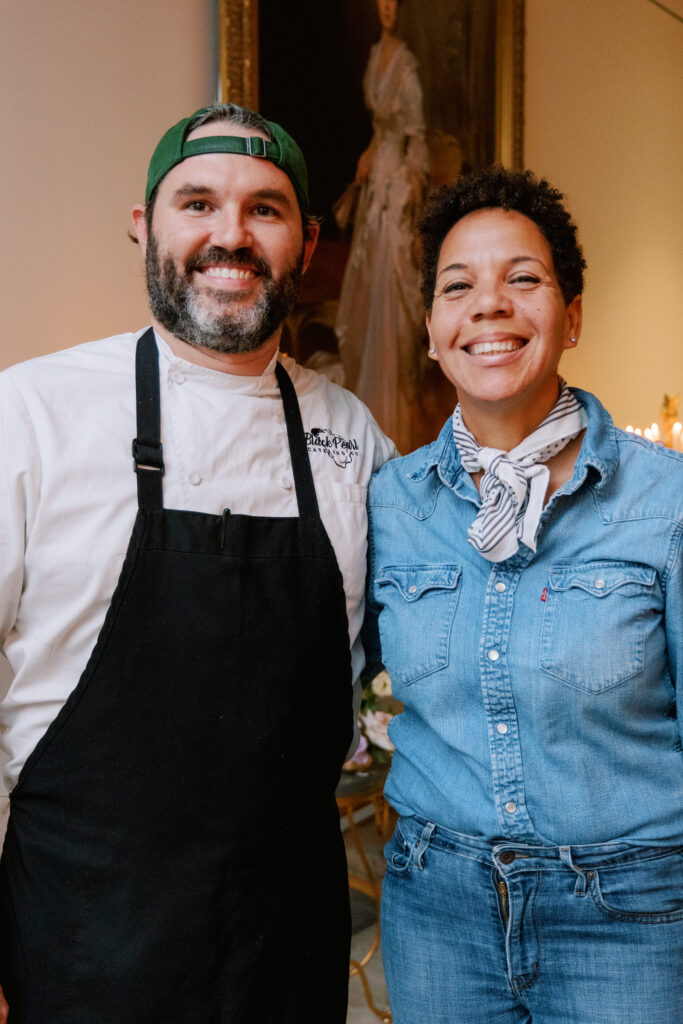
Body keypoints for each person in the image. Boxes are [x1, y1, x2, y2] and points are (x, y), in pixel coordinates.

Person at [0, 102, 396, 1022]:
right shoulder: (30, 415)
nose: (231, 235)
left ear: (305, 239)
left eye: (265, 208)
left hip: (286, 947)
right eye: (198, 203)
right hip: (82, 941)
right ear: (145, 226)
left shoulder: (351, 435)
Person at [364, 167, 683, 1023]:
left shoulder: (664, 502)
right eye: (457, 286)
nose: (489, 306)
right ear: (431, 329)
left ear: (570, 316)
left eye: (523, 279)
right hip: (437, 910)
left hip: (630, 913)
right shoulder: (390, 502)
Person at [335, 0, 429, 453]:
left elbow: (416, 138)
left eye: (395, 2)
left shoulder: (407, 67)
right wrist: (368, 157)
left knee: (393, 297)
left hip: (397, 194)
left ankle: (395, 425)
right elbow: (380, 129)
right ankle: (365, 421)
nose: (388, 8)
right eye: (383, 1)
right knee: (367, 292)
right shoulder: (376, 55)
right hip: (376, 187)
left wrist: (409, 189)